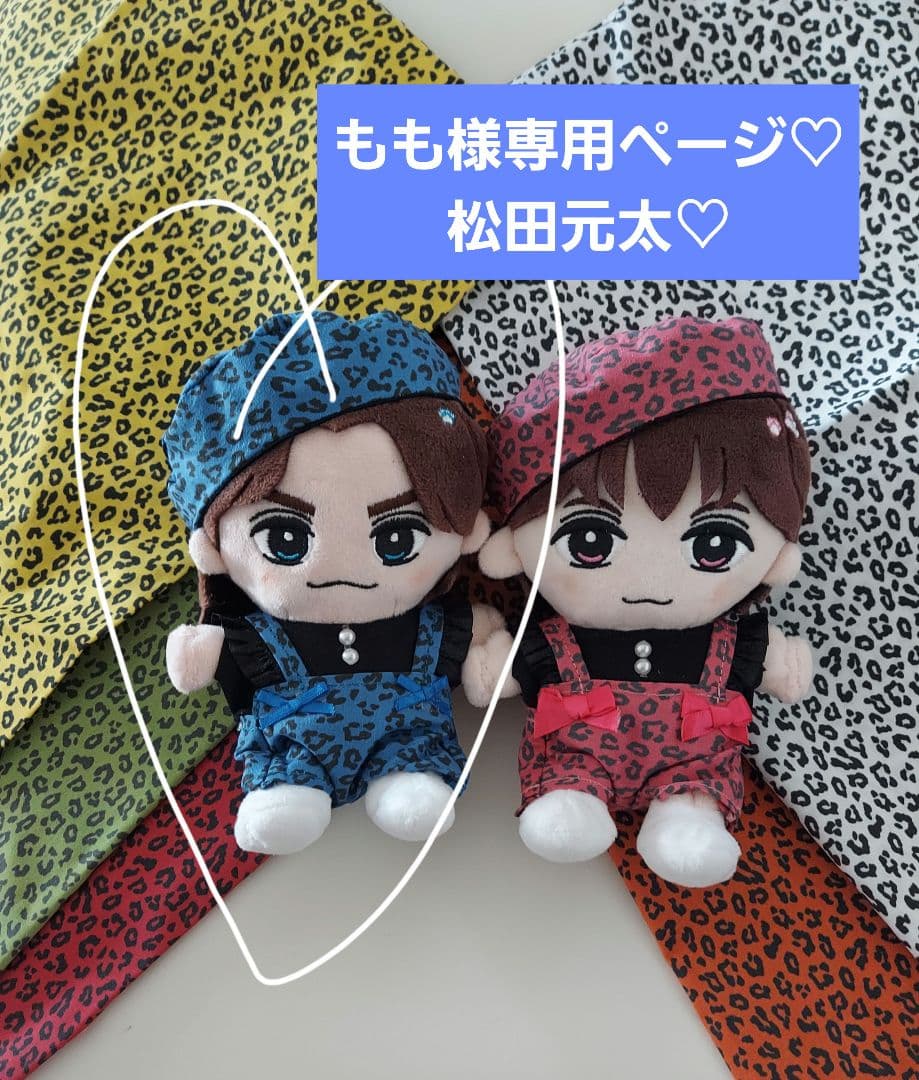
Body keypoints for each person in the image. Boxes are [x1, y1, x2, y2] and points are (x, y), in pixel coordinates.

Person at [469, 315, 813, 887]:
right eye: (589, 539)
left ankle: (688, 821)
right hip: (577, 763)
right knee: (567, 794)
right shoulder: (549, 638)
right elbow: (498, 675)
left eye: (714, 543)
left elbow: (781, 671)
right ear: (512, 551)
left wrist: (785, 665)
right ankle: (570, 803)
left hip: (693, 769)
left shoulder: (735, 640)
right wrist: (489, 665)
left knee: (696, 794)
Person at [163, 310, 498, 855]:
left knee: (414, 778)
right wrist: (198, 649)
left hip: (408, 742)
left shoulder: (432, 626)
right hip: (295, 746)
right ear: (214, 550)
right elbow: (208, 660)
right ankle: (288, 791)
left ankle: (407, 783)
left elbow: (477, 641)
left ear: (467, 532)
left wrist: (492, 654)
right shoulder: (258, 634)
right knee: (287, 776)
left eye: (397, 539)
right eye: (285, 539)